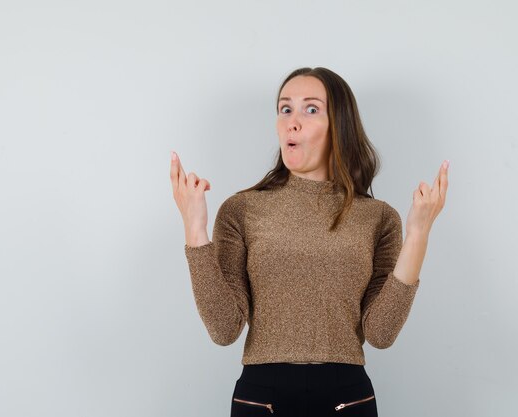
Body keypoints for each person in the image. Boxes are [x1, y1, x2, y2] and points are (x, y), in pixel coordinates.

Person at [170, 66, 449, 416]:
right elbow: (224, 329)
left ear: (339, 126)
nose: (292, 121)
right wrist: (195, 228)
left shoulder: (378, 217)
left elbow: (380, 333)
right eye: (285, 108)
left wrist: (419, 235)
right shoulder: (242, 209)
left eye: (311, 109)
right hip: (261, 396)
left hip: (345, 397)